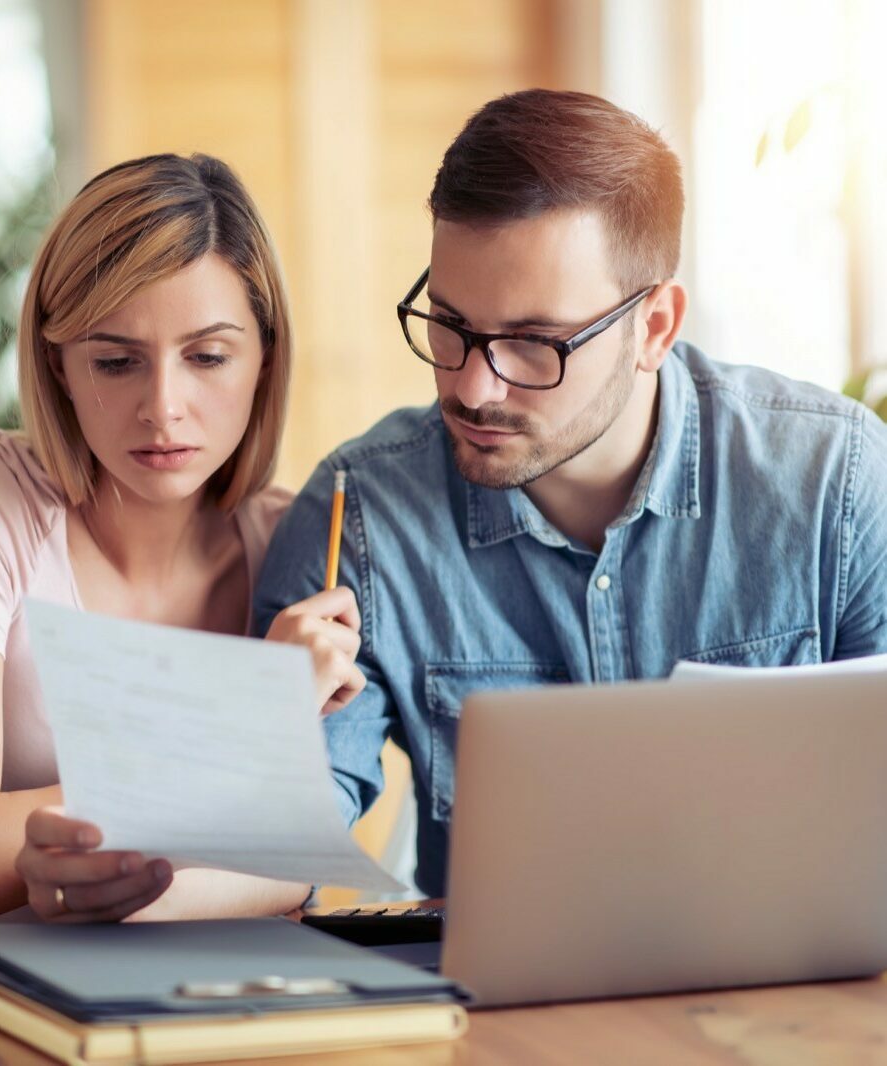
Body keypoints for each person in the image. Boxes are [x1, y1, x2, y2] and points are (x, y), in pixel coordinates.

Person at [252, 88, 887, 900]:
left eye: (533, 343)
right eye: (450, 325)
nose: (475, 386)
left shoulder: (836, 483)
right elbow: (273, 857)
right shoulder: (359, 518)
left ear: (654, 327)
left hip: (800, 1008)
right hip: (501, 1018)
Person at [0, 153, 350, 1061]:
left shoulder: (292, 544)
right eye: (115, 360)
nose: (163, 408)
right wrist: (241, 725)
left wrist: (133, 879)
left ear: (266, 359)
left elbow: (294, 876)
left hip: (112, 1007)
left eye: (209, 356)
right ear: (59, 366)